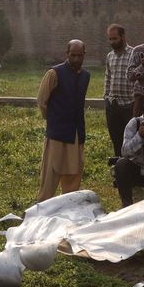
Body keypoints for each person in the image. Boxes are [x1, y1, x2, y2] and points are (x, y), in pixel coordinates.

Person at [37, 40, 91, 201]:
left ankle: (67, 209)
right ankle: (42, 209)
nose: (76, 59)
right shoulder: (54, 73)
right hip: (57, 134)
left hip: (76, 134)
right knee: (50, 173)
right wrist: (54, 120)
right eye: (72, 55)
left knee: (74, 173)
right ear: (67, 54)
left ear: (84, 55)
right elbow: (42, 101)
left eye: (79, 56)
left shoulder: (86, 76)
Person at [103, 23, 133, 157]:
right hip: (113, 105)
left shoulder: (134, 54)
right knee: (116, 139)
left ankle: (131, 169)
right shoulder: (110, 56)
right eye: (110, 39)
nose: (112, 42)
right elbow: (108, 77)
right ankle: (118, 168)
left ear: (123, 37)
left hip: (129, 105)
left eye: (114, 38)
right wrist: (106, 98)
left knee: (130, 140)